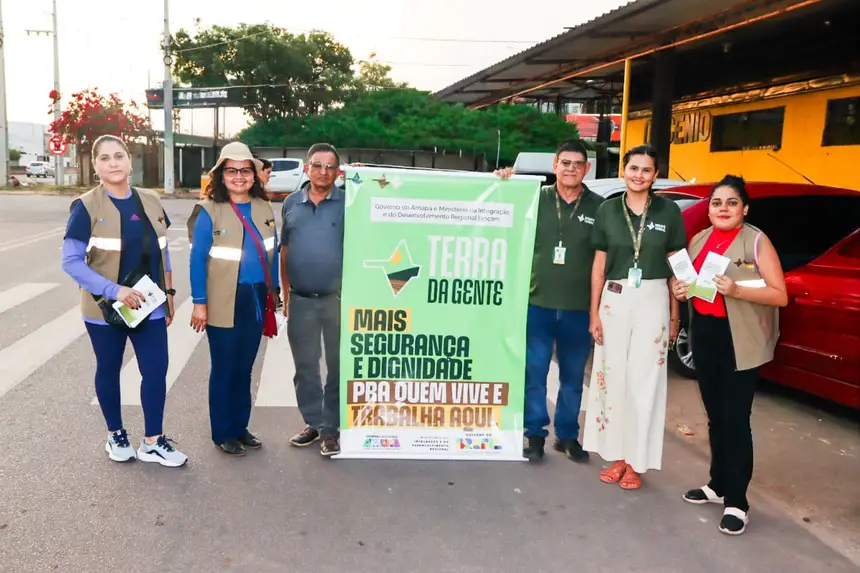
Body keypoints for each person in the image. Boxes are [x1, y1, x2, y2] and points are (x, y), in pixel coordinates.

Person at [61, 134, 187, 467]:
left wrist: (169, 297)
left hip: (150, 304)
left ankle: (153, 441)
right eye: (104, 158)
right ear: (96, 166)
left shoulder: (150, 200)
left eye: (119, 156)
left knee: (156, 369)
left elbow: (164, 254)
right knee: (109, 369)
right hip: (105, 308)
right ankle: (116, 434)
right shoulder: (86, 206)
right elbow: (71, 262)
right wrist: (115, 291)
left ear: (131, 161)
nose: (113, 163)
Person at [672, 175, 787, 536]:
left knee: (735, 420)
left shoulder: (756, 241)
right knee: (715, 416)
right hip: (705, 337)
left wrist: (736, 289)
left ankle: (737, 501)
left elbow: (779, 294)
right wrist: (680, 289)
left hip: (741, 340)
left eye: (731, 202)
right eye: (716, 202)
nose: (723, 209)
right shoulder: (699, 240)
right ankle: (717, 484)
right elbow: (692, 288)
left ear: (744, 208)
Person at [582, 144, 685, 489]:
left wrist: (674, 317)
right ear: (622, 171)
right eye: (633, 168)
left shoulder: (669, 211)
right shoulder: (609, 210)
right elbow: (598, 266)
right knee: (612, 379)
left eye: (646, 170)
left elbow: (676, 269)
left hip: (654, 298)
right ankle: (617, 455)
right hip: (614, 298)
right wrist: (593, 313)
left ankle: (637, 462)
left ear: (655, 175)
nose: (639, 175)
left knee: (645, 383)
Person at [495, 139, 604, 462]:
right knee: (535, 373)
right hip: (536, 303)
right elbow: (494, 205)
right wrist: (502, 178)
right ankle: (535, 434)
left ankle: (567, 436)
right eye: (565, 163)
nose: (571, 169)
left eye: (577, 164)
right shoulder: (531, 196)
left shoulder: (599, 206)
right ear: (555, 165)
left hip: (578, 307)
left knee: (572, 378)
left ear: (587, 169)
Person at [188, 141, 280, 456]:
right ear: (221, 175)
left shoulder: (264, 208)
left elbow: (273, 253)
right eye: (231, 170)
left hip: (255, 298)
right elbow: (198, 259)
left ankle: (241, 427)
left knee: (245, 367)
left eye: (244, 170)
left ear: (254, 174)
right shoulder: (208, 210)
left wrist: (275, 292)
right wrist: (200, 302)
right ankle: (222, 432)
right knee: (224, 366)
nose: (238, 176)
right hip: (222, 299)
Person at [279, 143, 344, 457]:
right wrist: (285, 293)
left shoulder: (349, 202)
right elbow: (285, 251)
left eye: (330, 167)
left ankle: (331, 430)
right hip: (301, 298)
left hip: (338, 300)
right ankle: (314, 423)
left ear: (338, 172)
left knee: (337, 365)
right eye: (317, 165)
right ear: (307, 168)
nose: (324, 172)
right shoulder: (291, 203)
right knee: (305, 367)